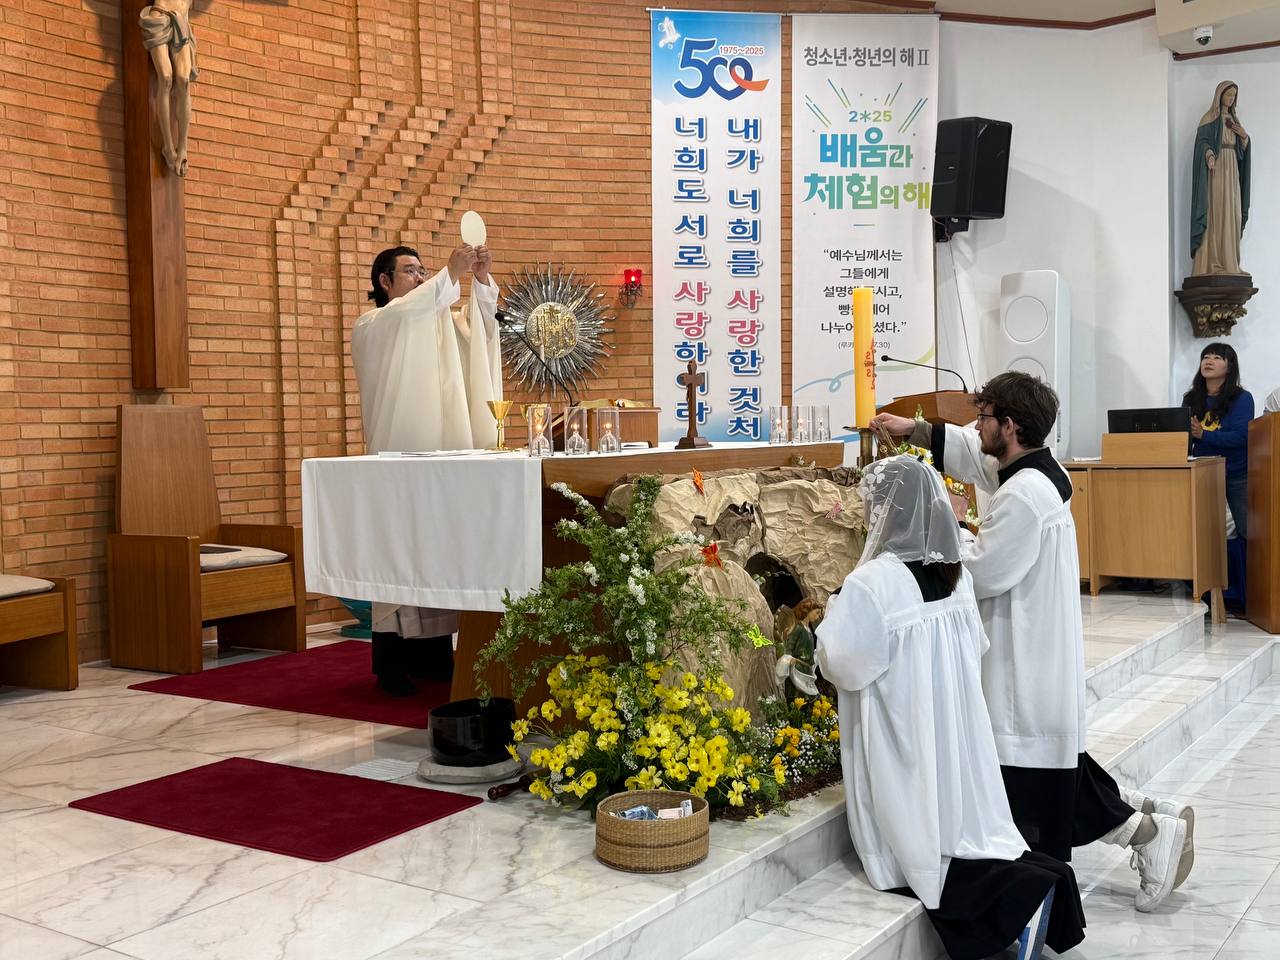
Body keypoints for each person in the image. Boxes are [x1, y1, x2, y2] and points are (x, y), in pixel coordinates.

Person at [872, 373, 1191, 913]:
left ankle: (1146, 834)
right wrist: (918, 431)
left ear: (1011, 426)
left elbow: (985, 570)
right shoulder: (1036, 468)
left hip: (1024, 661)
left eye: (986, 417)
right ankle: (1141, 815)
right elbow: (977, 455)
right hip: (1038, 651)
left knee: (1031, 786)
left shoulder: (1023, 494)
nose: (977, 427)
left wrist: (950, 527)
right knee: (1045, 769)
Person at [817, 456, 1084, 960]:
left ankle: (1017, 905)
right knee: (968, 830)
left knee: (922, 844)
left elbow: (844, 662)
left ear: (886, 514)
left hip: (905, 733)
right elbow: (973, 647)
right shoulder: (955, 572)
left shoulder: (872, 583)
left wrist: (828, 620)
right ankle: (1033, 885)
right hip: (956, 731)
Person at [352, 243, 503, 695]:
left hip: (445, 459)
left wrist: (478, 283)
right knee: (399, 553)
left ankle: (437, 652)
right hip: (399, 458)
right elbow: (412, 313)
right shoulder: (374, 324)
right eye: (410, 271)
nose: (421, 278)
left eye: (423, 271)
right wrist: (447, 275)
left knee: (442, 549)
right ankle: (391, 663)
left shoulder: (438, 322)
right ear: (384, 282)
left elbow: (480, 335)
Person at [1185, 342, 1254, 538]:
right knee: (1202, 531)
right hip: (1202, 472)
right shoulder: (1191, 398)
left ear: (1229, 366)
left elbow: (1242, 437)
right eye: (1206, 357)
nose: (1209, 361)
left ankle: (1248, 569)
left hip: (1235, 472)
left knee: (1247, 529)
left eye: (1217, 358)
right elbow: (1183, 435)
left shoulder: (1242, 398)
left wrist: (1204, 434)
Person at [1190, 81, 1250, 277]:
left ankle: (1230, 262)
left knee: (1233, 213)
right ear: (1220, 95)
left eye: (1234, 95)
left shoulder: (1235, 121)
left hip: (1232, 167)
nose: (1231, 98)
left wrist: (1244, 138)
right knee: (1217, 212)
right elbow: (1202, 142)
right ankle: (1213, 262)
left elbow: (1242, 152)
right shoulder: (1209, 118)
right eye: (1228, 95)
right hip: (1217, 167)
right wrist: (1208, 154)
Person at [138, 0, 197, 176]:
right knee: (165, 77)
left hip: (182, 21)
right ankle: (168, 147)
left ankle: (183, 148)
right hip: (160, 16)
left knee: (184, 80)